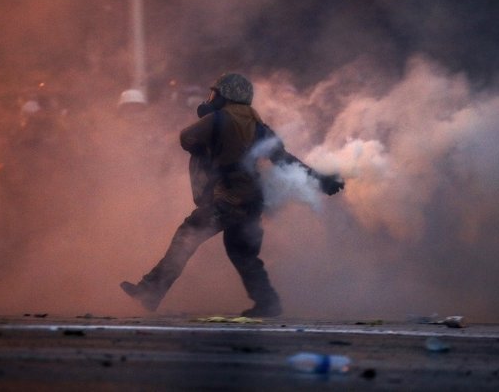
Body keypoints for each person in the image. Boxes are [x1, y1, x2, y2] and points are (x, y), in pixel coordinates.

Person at [120, 73, 343, 317]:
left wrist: (207, 127)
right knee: (242, 252)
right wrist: (321, 180)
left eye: (216, 93)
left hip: (228, 198)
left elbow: (186, 139)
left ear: (226, 95)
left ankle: (152, 289)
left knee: (187, 235)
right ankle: (267, 302)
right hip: (252, 200)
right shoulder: (258, 125)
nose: (212, 98)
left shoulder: (219, 118)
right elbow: (284, 159)